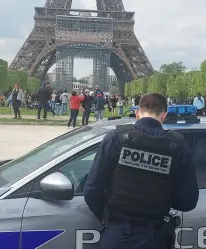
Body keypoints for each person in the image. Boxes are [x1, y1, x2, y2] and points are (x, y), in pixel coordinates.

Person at [84, 93, 199, 249]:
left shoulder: (117, 138)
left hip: (117, 233)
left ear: (137, 113)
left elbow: (92, 189)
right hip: (155, 237)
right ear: (164, 115)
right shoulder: (178, 146)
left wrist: (109, 219)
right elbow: (187, 201)